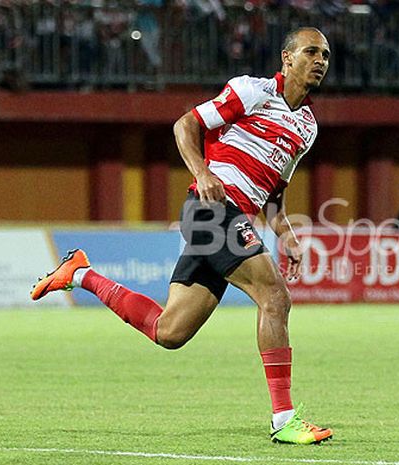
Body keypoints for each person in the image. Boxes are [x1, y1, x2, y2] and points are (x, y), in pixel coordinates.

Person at [31, 27, 333, 445]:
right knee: (275, 297)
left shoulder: (308, 126)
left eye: (325, 55)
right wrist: (203, 172)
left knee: (169, 332)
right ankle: (284, 419)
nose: (320, 60)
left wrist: (286, 234)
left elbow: (275, 192)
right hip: (212, 211)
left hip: (232, 219)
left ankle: (80, 274)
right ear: (286, 57)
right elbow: (185, 125)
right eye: (311, 51)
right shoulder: (252, 92)